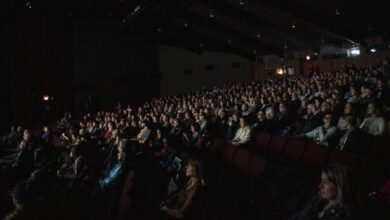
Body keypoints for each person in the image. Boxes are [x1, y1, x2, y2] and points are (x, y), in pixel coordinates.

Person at [290, 164, 361, 220]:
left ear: (340, 186)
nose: (320, 186)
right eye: (321, 180)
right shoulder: (318, 200)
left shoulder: (347, 214)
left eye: (326, 182)